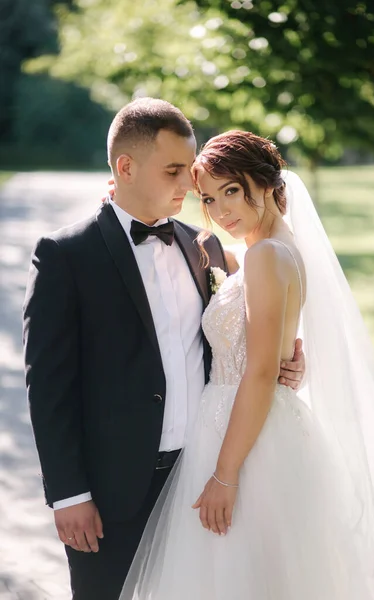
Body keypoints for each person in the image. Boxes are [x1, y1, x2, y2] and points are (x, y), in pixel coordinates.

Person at [22, 99, 304, 600]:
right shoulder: (66, 255)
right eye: (175, 170)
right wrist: (70, 494)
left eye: (189, 171)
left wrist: (288, 362)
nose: (189, 185)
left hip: (197, 475)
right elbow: (48, 388)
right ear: (124, 168)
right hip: (111, 493)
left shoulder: (208, 247)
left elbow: (241, 340)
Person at [119, 130, 374, 600]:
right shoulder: (264, 249)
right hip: (246, 424)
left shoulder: (266, 256)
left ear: (267, 183)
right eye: (209, 198)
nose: (222, 209)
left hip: (247, 443)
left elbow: (262, 372)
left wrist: (225, 475)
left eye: (232, 190)